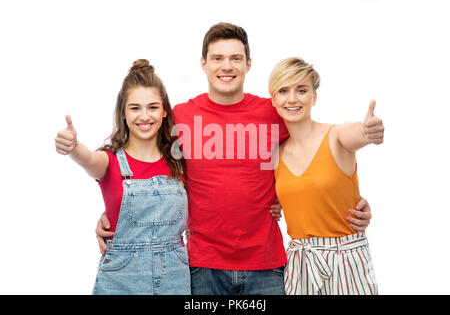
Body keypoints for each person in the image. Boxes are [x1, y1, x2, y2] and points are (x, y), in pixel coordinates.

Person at [96, 23, 376, 295]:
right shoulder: (181, 117)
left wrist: (350, 197)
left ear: (248, 64)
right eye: (217, 58)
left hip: (266, 265)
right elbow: (147, 162)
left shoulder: (274, 112)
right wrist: (116, 208)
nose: (226, 66)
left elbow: (316, 147)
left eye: (235, 58)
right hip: (202, 266)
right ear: (204, 64)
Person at [55, 59, 190, 295]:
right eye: (135, 108)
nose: (144, 116)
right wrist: (73, 146)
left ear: (165, 110)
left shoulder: (180, 161)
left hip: (175, 277)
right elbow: (87, 158)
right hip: (121, 279)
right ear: (124, 114)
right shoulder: (109, 161)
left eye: (153, 107)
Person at [269, 57, 381, 295]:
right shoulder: (274, 154)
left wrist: (368, 130)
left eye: (301, 90)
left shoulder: (336, 136)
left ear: (314, 97)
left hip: (347, 259)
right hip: (300, 262)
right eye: (283, 90)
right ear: (273, 99)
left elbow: (357, 132)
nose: (292, 98)